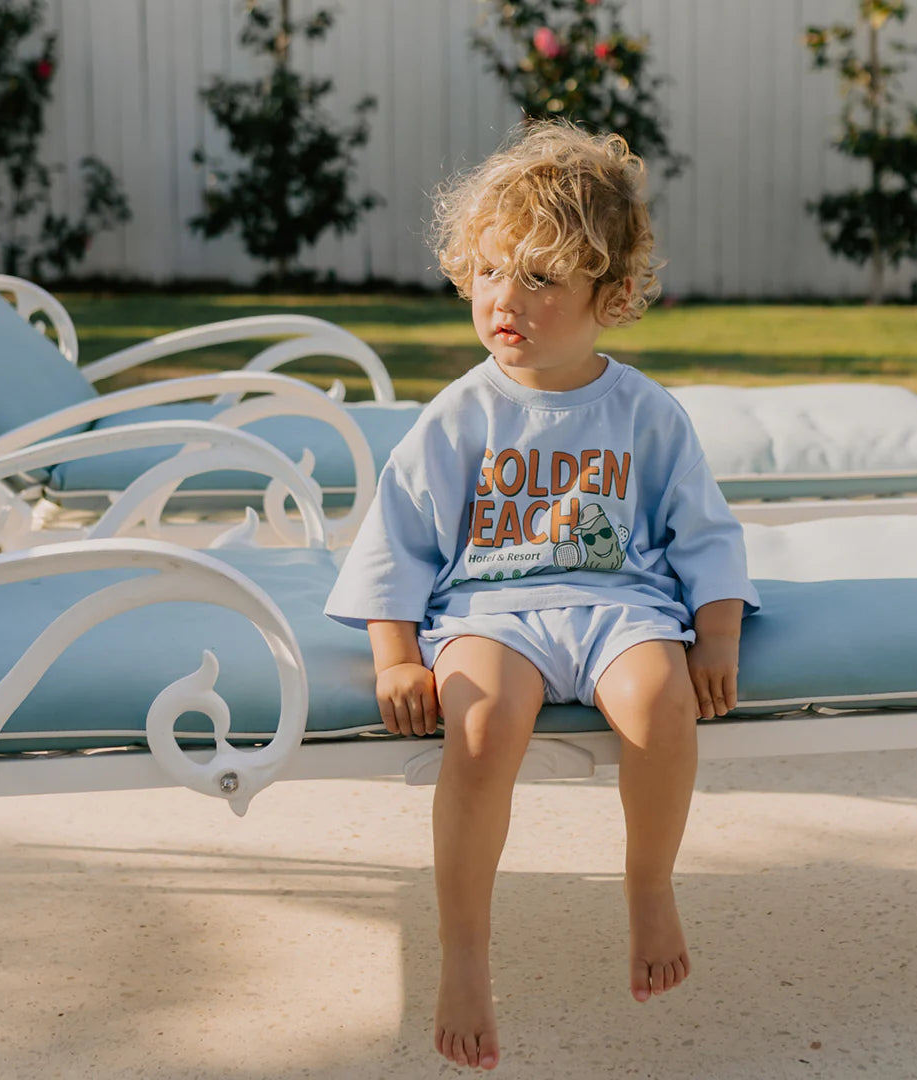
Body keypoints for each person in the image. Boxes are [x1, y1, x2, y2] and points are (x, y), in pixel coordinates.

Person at [325, 120, 760, 1071]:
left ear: (608, 297)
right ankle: (466, 953)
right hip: (491, 609)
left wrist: (716, 636)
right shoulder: (461, 414)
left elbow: (705, 534)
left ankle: (649, 886)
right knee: (478, 730)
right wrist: (397, 654)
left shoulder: (644, 411)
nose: (502, 299)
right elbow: (395, 539)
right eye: (487, 272)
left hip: (620, 604)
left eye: (538, 278)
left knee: (661, 702)